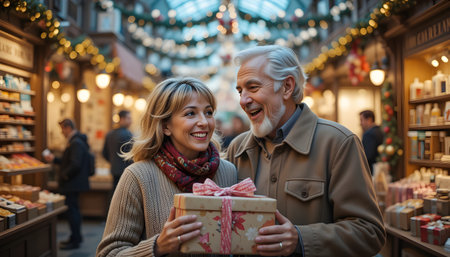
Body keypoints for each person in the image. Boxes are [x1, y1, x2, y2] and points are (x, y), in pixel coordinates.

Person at [226, 45, 386, 257]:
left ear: (286, 87)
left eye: (253, 88)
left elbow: (369, 232)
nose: (243, 100)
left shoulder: (339, 143)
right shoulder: (237, 149)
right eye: (240, 91)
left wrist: (301, 240)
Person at [96, 78, 237, 256]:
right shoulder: (138, 176)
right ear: (165, 126)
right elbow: (108, 253)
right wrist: (157, 247)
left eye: (208, 112)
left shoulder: (229, 172)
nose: (204, 122)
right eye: (190, 114)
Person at [44, 118, 90, 250]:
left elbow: (75, 164)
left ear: (68, 127)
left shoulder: (75, 142)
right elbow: (69, 161)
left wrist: (64, 175)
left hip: (72, 183)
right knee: (73, 210)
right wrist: (55, 159)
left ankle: (75, 240)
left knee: (72, 211)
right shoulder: (77, 141)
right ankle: (76, 237)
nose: (62, 132)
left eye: (62, 129)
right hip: (75, 182)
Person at [102, 109, 133, 192]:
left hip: (114, 170)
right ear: (122, 119)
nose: (131, 121)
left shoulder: (110, 134)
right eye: (129, 118)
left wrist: (113, 162)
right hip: (126, 171)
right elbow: (131, 156)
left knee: (114, 193)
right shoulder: (128, 135)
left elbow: (104, 153)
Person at [360, 110, 384, 175]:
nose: (360, 123)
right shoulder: (380, 131)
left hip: (371, 170)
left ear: (369, 119)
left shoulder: (368, 134)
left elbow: (368, 156)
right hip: (380, 167)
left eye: (361, 120)